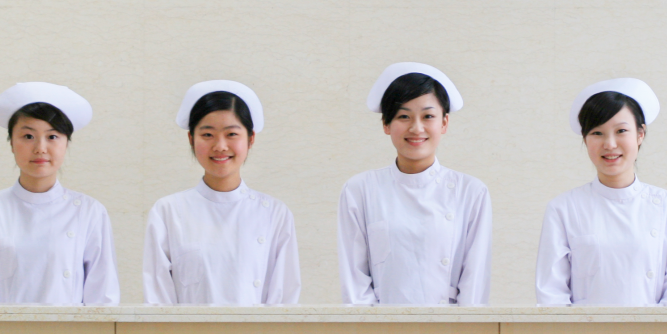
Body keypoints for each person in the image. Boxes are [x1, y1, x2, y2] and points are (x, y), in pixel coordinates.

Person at [337, 63, 492, 305]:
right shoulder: (359, 191)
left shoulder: (471, 192)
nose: (416, 128)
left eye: (428, 116)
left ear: (444, 123)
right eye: (403, 116)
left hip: (451, 325)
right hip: (381, 326)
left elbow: (474, 285)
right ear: (386, 124)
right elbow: (355, 285)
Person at [535, 78, 667, 306]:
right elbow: (551, 295)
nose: (610, 144)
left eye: (621, 131)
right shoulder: (563, 209)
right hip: (584, 329)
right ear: (585, 139)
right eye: (597, 133)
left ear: (640, 134)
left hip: (654, 329)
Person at [0, 82, 119, 305]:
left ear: (66, 144)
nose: (40, 148)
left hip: (71, 328)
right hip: (1, 328)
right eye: (28, 136)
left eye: (52, 137)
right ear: (11, 143)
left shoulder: (89, 212)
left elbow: (102, 297)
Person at [142, 80, 300, 305]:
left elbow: (284, 302)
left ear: (251, 139)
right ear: (191, 139)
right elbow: (159, 301)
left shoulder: (274, 213)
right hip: (186, 330)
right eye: (207, 135)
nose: (220, 146)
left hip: (258, 329)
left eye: (232, 134)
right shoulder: (168, 211)